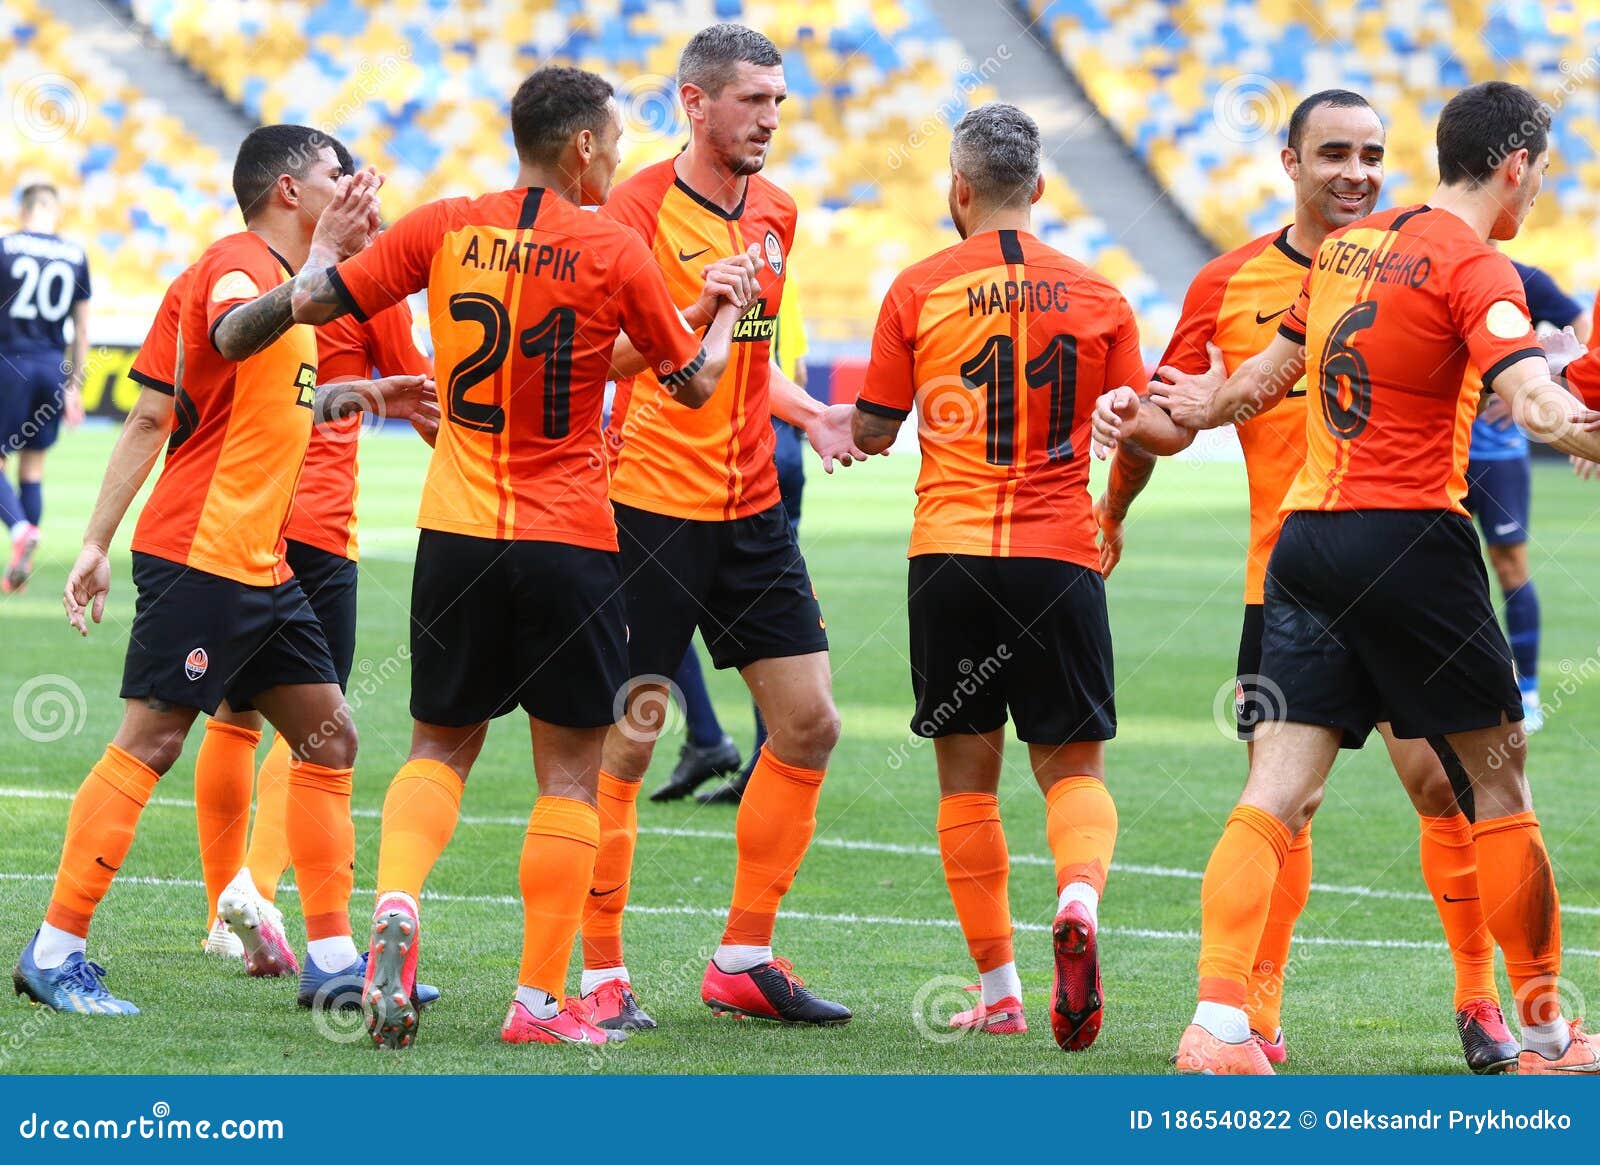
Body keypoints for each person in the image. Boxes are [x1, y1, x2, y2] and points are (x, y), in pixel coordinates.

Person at [1101, 81, 1600, 1075]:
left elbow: (1254, 385)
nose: (1539, 189)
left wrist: (1193, 408)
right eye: (1540, 172)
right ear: (1513, 166)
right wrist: (1580, 427)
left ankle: (1220, 1027)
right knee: (1496, 784)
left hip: (1305, 543)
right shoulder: (1477, 266)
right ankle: (1547, 1028)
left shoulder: (1345, 251)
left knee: (1275, 788)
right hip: (1411, 539)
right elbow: (1532, 401)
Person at [266, 65, 751, 1048]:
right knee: (569, 776)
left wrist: (298, 275)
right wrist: (725, 305)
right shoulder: (614, 246)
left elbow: (321, 300)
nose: (617, 155)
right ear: (580, 146)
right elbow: (692, 386)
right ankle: (536, 1002)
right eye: (612, 140)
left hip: (454, 533)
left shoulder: (442, 225)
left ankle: (396, 907)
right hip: (567, 538)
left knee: (438, 748)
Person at [12, 125, 434, 1016]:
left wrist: (368, 395)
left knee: (330, 737)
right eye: (334, 174)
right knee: (152, 742)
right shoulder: (242, 266)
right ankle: (53, 951)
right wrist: (317, 265)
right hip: (200, 559)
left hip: (262, 565)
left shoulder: (294, 291)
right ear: (288, 189)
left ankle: (329, 961)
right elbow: (238, 333)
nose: (351, 185)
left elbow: (180, 413)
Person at [579, 23, 866, 1032]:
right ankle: (600, 971)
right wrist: (690, 311)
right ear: (695, 104)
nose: (771, 119)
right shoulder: (636, 208)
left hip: (751, 509)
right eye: (753, 101)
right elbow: (602, 356)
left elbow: (748, 343)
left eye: (779, 102)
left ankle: (743, 955)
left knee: (808, 722)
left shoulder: (777, 211)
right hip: (650, 505)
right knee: (629, 737)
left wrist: (811, 414)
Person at [852, 103, 1143, 1050]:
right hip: (1058, 552)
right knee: (1073, 770)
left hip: (950, 554)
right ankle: (1076, 896)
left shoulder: (918, 287)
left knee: (965, 786)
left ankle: (1000, 988)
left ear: (959, 190)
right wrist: (1113, 510)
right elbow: (1136, 429)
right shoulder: (1101, 296)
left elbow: (873, 429)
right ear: (1042, 190)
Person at [661, 273, 815, 807]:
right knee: (765, 608)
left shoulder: (709, 278)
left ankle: (707, 737)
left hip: (723, 442)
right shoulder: (778, 275)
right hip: (779, 437)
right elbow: (792, 366)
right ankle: (756, 753)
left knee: (655, 600)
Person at [1463, 260, 1591, 732]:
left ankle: (1529, 691)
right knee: (1441, 569)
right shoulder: (1431, 262)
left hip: (1500, 456)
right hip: (1439, 454)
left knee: (1510, 566)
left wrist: (1536, 384)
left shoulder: (1522, 277)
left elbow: (1583, 328)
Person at [0, 182, 91, 593]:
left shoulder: (5, 246)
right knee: (32, 468)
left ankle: (19, 531)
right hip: (53, 368)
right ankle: (24, 561)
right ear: (53, 211)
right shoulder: (75, 254)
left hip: (9, 363)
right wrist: (75, 385)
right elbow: (83, 328)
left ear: (24, 210)